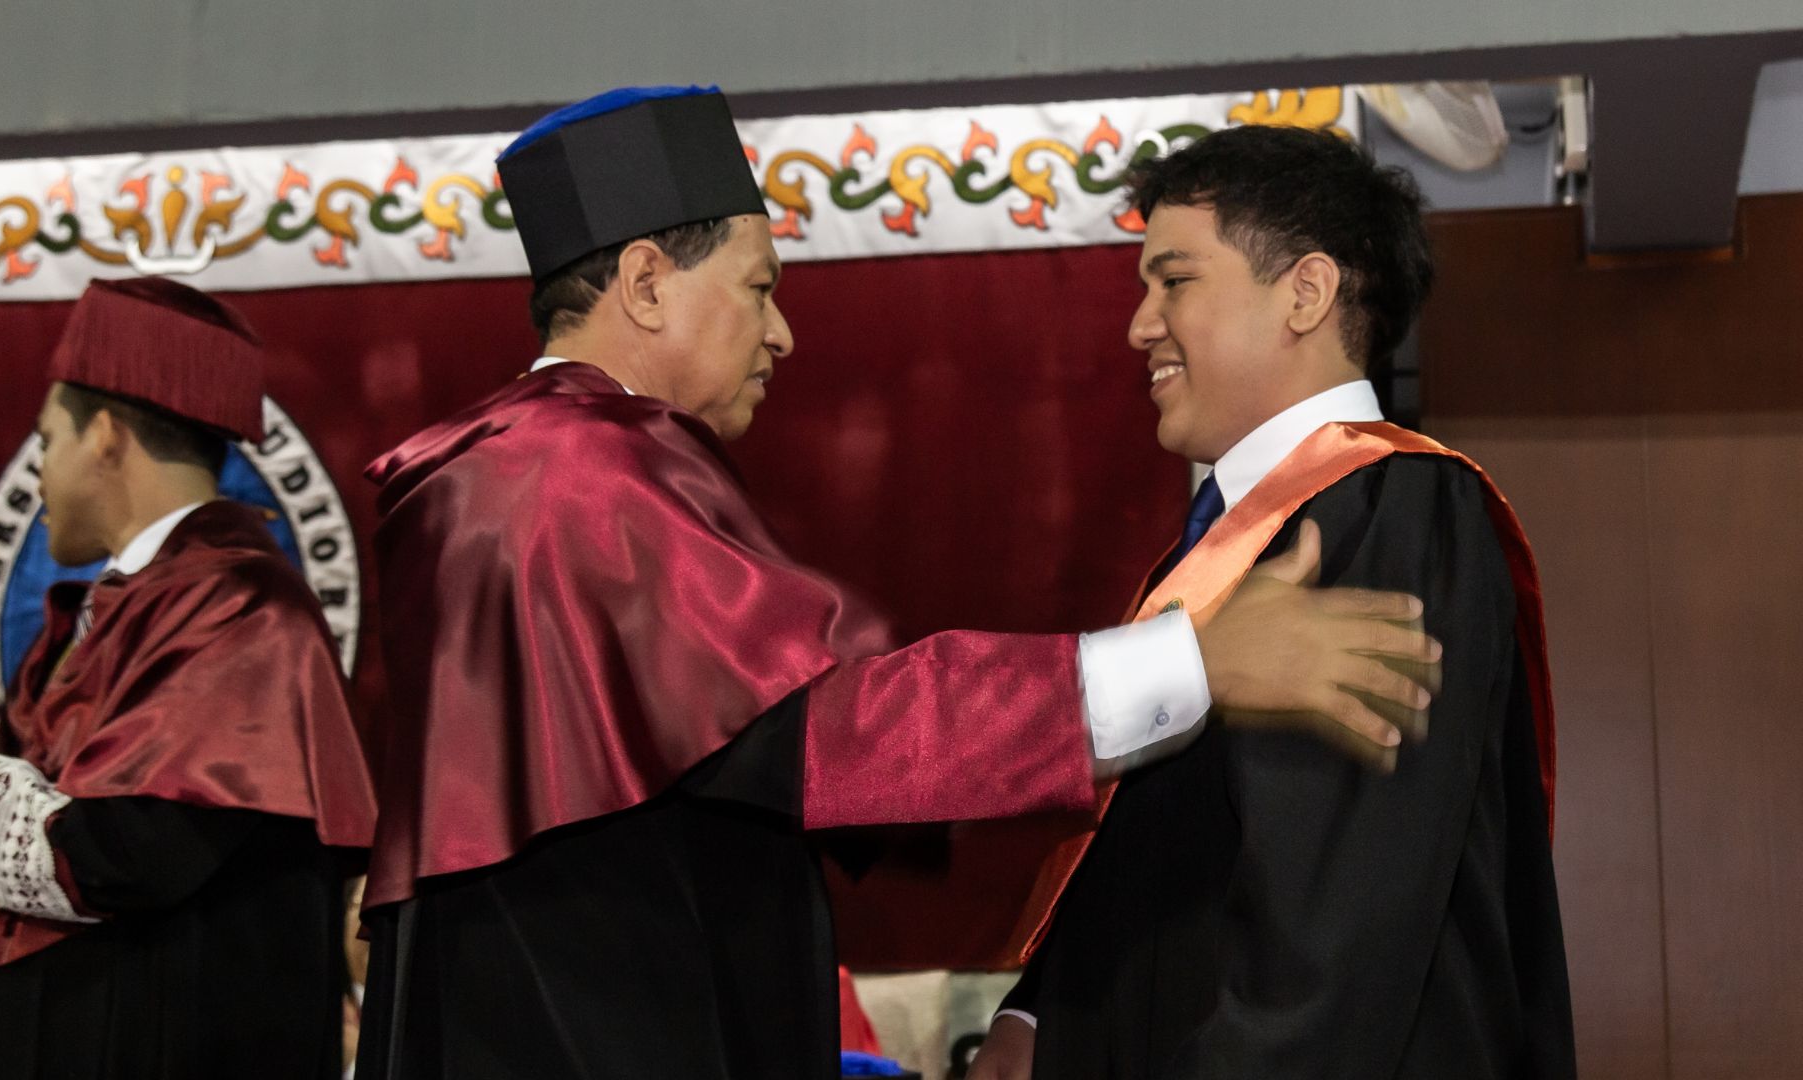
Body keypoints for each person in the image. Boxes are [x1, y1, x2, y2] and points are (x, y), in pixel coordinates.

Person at [354, 87, 1442, 1080]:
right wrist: (1187, 665)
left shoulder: (505, 472)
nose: (782, 333)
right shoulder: (581, 475)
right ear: (645, 284)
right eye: (759, 288)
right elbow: (822, 735)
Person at [969, 125, 1574, 1079]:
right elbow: (1164, 852)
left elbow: (1336, 926)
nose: (1140, 325)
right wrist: (1042, 1015)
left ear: (1306, 292)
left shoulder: (1389, 509)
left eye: (1175, 281)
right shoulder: (1224, 544)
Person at [0, 277, 377, 1080]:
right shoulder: (131, 605)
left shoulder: (237, 604)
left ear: (107, 435)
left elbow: (134, 851)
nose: (40, 474)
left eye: (48, 441)